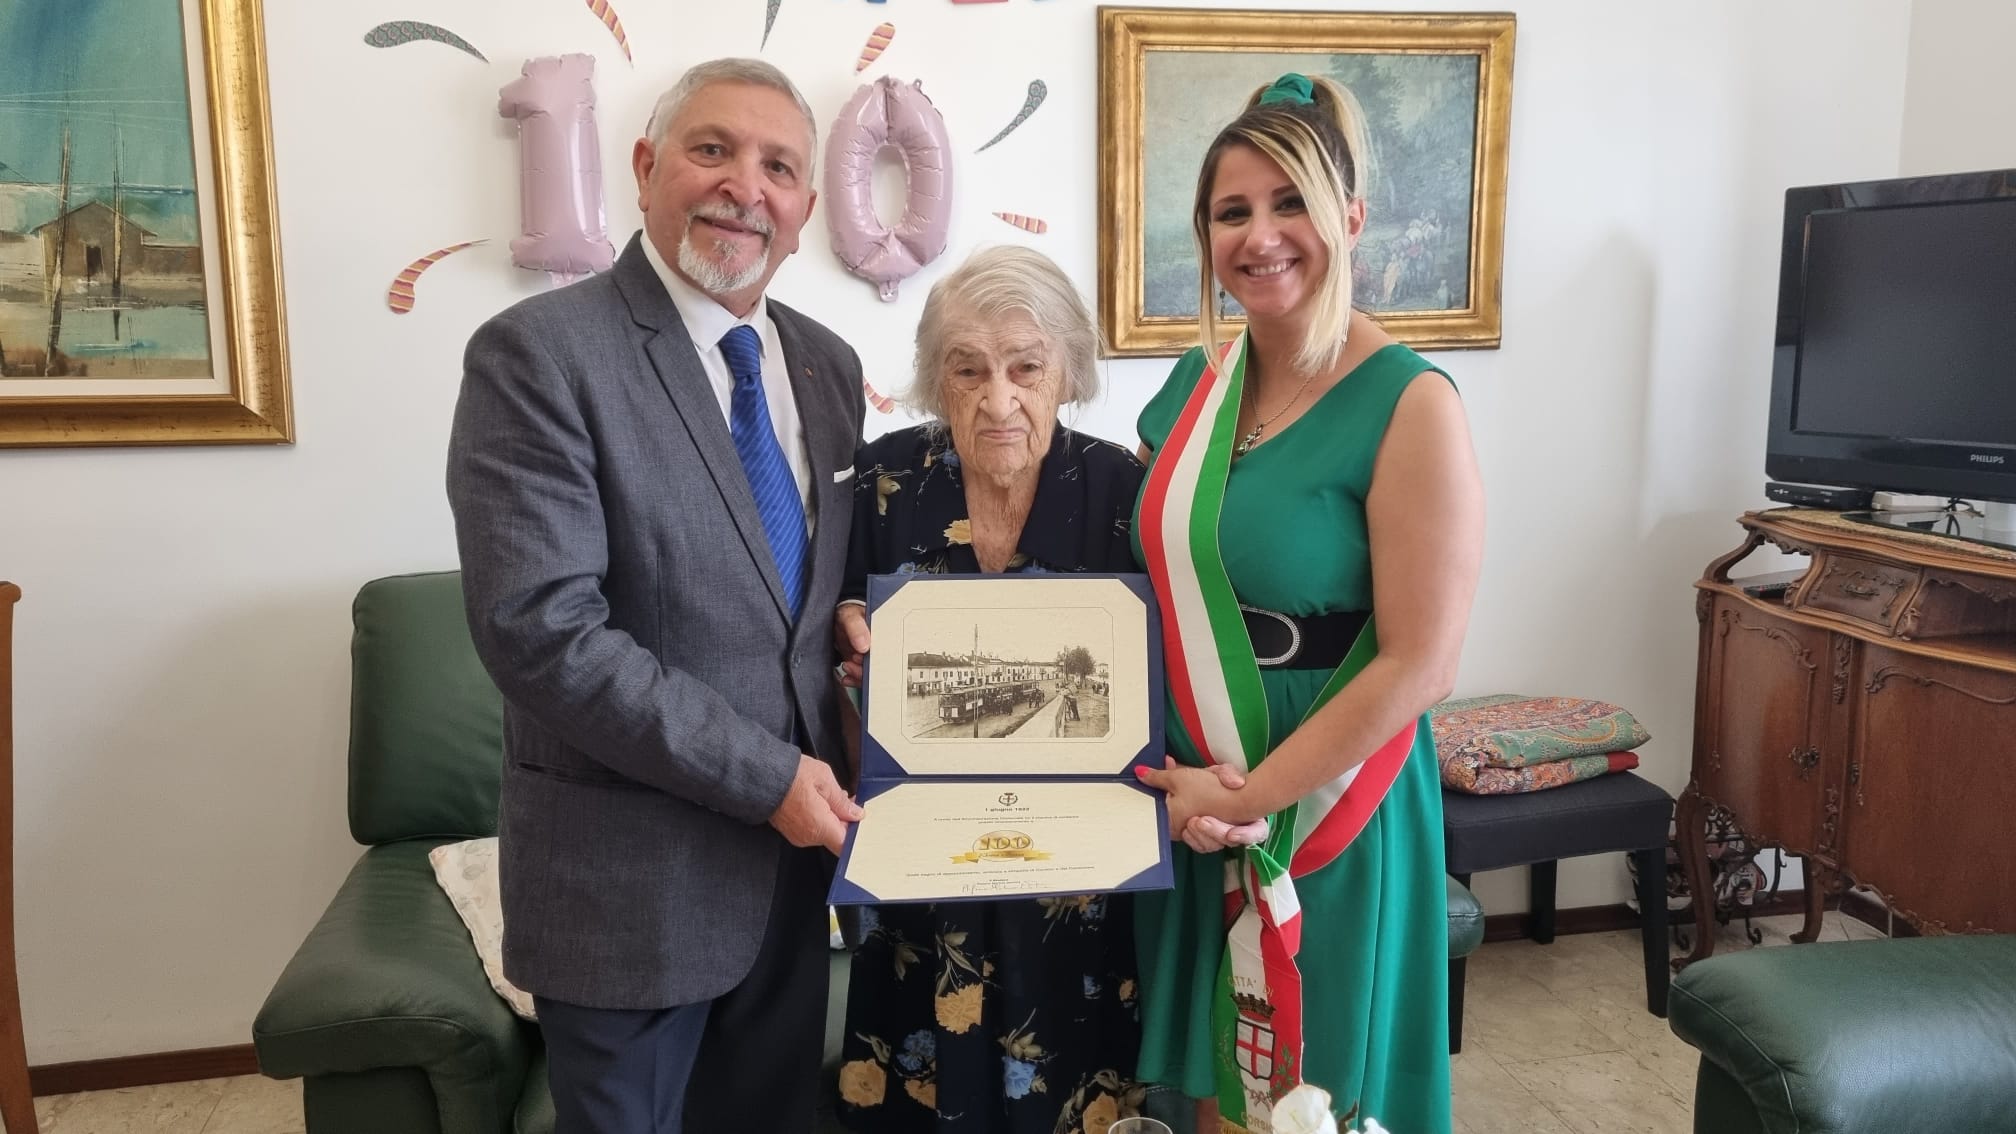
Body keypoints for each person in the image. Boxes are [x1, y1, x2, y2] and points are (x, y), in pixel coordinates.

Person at [445, 57, 866, 1134]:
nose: (745, 186)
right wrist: (767, 777)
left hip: (795, 882)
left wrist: (866, 629)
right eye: (712, 149)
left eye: (779, 167)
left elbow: (816, 598)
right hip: (628, 894)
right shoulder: (538, 355)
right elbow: (540, 631)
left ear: (807, 208)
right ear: (644, 168)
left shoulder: (828, 366)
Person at [1131, 73, 1485, 1134]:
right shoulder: (1195, 384)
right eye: (1232, 211)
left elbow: (1422, 663)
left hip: (1329, 788)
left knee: (1307, 1091)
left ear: (1352, 218)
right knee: (1218, 1082)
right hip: (1199, 779)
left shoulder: (1411, 402)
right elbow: (1135, 561)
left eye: (1291, 204)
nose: (1261, 235)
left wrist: (1248, 798)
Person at [829, 245, 1251, 1134]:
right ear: (936, 378)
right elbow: (824, 624)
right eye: (967, 370)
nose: (997, 401)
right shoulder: (881, 483)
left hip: (1080, 875)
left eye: (1025, 368)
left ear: (1068, 371)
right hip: (923, 874)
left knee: (1074, 1089)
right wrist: (846, 634)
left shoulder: (1122, 494)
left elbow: (1180, 664)